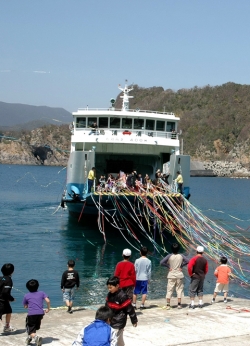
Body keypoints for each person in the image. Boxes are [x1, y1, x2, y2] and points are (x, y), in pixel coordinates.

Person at [106, 276, 137, 346]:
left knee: (114, 339)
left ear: (117, 286)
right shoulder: (109, 295)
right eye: (108, 287)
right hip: (111, 319)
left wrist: (134, 320)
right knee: (118, 339)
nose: (109, 289)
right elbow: (106, 307)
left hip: (119, 321)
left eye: (111, 287)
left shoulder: (122, 296)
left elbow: (130, 309)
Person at [160, 243, 189, 309]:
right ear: (178, 249)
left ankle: (168, 305)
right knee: (179, 290)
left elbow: (161, 262)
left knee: (169, 290)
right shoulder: (181, 256)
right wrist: (181, 266)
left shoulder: (169, 256)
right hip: (179, 274)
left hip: (171, 274)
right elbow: (188, 261)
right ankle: (179, 304)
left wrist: (168, 266)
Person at [23, 279, 50, 346]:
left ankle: (36, 337)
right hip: (40, 313)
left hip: (31, 314)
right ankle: (29, 338)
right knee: (35, 327)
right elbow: (48, 301)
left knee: (29, 327)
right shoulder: (42, 293)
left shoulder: (26, 295)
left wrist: (27, 305)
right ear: (38, 286)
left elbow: (25, 306)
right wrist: (48, 309)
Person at [0, 263, 15, 333]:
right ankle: (7, 326)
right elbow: (5, 292)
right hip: (2, 301)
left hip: (4, 300)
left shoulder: (1, 278)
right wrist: (11, 298)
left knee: (9, 311)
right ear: (12, 272)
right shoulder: (8, 280)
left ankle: (7, 326)